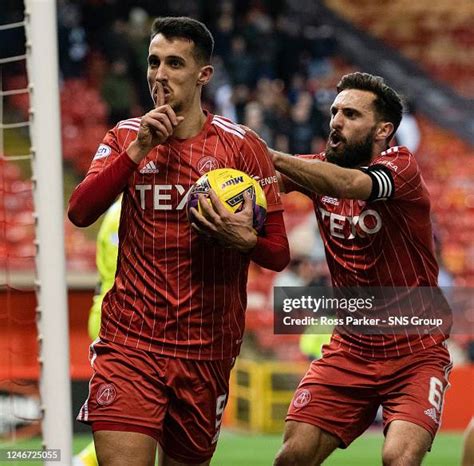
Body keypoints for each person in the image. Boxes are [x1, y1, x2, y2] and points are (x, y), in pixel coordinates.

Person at [68, 16, 289, 466]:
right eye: (153, 62)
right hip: (130, 343)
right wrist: (138, 151)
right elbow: (80, 211)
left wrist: (242, 238)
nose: (160, 75)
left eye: (174, 63)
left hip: (205, 352)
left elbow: (279, 252)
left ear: (203, 74)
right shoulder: (126, 136)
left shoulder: (243, 148)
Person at [269, 72, 452, 466]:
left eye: (351, 114)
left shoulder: (401, 167)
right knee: (291, 457)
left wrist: (273, 156)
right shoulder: (317, 169)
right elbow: (257, 181)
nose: (336, 121)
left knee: (398, 460)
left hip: (415, 353)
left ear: (383, 129)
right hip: (351, 349)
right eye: (335, 111)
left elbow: (351, 184)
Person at [74, 199, 121, 466]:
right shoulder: (138, 211)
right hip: (124, 314)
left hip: (103, 308)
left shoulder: (113, 212)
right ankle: (84, 461)